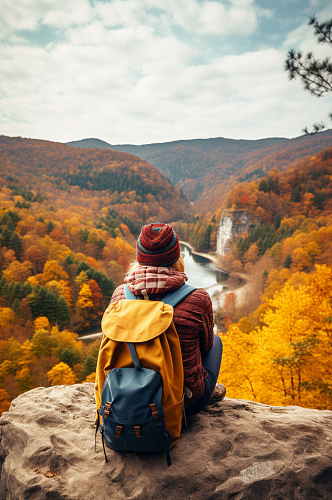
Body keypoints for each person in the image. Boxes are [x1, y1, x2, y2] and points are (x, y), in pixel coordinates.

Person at [109, 222, 225, 416]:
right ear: (176, 256)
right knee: (216, 341)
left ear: (140, 256)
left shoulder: (120, 295)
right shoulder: (198, 298)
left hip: (128, 399)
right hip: (184, 404)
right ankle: (206, 391)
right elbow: (205, 348)